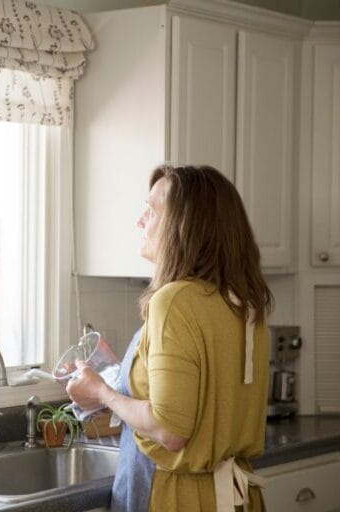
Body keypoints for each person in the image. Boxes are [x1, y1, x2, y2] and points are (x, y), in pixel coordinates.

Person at [66, 164, 272, 512]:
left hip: (180, 498)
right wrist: (125, 380)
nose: (140, 221)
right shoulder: (242, 301)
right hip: (236, 499)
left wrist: (101, 391)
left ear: (185, 226)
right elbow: (202, 400)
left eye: (152, 210)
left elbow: (169, 429)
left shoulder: (174, 301)